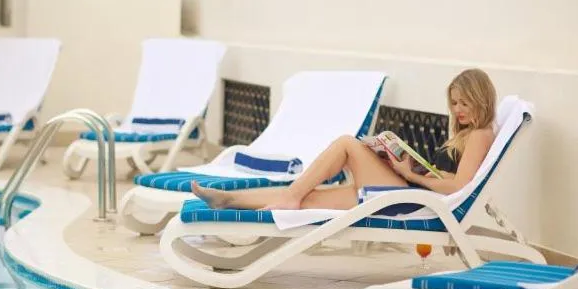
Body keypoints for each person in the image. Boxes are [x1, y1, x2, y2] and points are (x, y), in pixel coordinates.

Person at [191, 68, 497, 211]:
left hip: (410, 198)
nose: (457, 110)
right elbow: (450, 176)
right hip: (407, 191)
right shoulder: (467, 134)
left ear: (480, 100)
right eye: (454, 103)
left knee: (347, 144)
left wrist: (407, 173)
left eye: (464, 103)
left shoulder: (481, 134)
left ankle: (289, 197)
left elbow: (459, 186)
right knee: (310, 196)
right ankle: (228, 199)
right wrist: (406, 164)